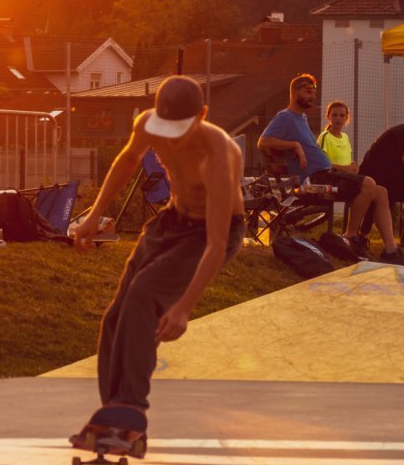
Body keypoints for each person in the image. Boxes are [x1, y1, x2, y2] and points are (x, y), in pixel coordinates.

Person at [73, 75, 246, 424]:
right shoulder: (149, 124)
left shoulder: (219, 154)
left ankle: (132, 405)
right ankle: (115, 412)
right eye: (166, 127)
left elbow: (215, 244)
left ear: (203, 115)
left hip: (213, 232)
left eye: (180, 129)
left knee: (144, 295)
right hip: (172, 219)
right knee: (116, 316)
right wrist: (94, 213)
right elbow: (127, 159)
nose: (172, 138)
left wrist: (184, 307)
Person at [257, 73, 404, 264]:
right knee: (368, 184)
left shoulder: (301, 118)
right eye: (308, 91)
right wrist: (294, 145)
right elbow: (263, 141)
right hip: (314, 178)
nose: (312, 96)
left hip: (327, 173)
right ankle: (351, 237)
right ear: (294, 92)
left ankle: (391, 249)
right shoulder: (285, 116)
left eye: (314, 92)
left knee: (381, 192)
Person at [358, 124, 404, 245]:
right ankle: (362, 235)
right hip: (373, 175)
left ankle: (363, 235)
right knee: (378, 193)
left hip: (388, 174)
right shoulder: (399, 134)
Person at [316, 100, 358, 173]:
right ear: (328, 117)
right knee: (369, 182)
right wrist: (345, 168)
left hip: (347, 178)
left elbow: (344, 161)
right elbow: (320, 164)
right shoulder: (324, 137)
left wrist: (352, 164)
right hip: (331, 179)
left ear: (346, 118)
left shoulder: (345, 137)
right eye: (334, 115)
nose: (338, 118)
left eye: (342, 115)